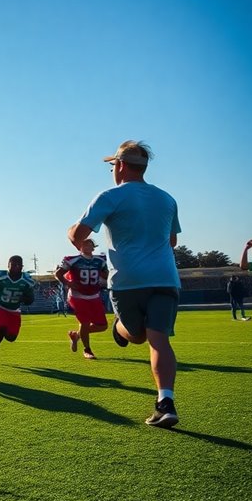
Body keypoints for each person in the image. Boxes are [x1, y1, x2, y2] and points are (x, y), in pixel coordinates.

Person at [68, 140, 181, 428]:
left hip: (129, 282)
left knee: (136, 335)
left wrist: (70, 230)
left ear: (119, 166)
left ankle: (119, 330)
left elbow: (79, 237)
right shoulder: (167, 199)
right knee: (158, 340)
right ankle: (164, 402)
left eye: (112, 167)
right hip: (166, 278)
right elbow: (172, 241)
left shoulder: (109, 195)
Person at [54, 238, 109, 359]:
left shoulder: (100, 260)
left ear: (93, 247)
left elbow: (106, 275)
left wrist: (106, 277)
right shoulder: (73, 260)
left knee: (103, 326)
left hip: (94, 295)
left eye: (90, 244)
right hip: (77, 296)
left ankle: (77, 336)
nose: (87, 247)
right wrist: (68, 282)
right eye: (84, 244)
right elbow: (58, 273)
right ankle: (87, 350)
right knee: (85, 323)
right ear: (80, 247)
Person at [0, 255, 35, 365]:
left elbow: (30, 299)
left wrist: (26, 299)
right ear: (8, 265)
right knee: (2, 328)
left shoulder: (26, 280)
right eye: (13, 264)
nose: (16, 267)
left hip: (14, 309)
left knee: (11, 338)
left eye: (19, 265)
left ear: (22, 266)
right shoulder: (0, 276)